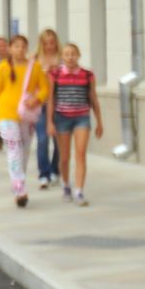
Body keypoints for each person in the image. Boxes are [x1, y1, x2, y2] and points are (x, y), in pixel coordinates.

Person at [0, 34, 50, 208]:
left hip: (27, 115)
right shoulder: (3, 68)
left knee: (24, 152)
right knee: (13, 150)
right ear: (10, 49)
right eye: (16, 46)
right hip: (6, 115)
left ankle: (20, 183)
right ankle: (19, 188)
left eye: (23, 46)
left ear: (27, 49)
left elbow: (45, 89)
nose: (20, 49)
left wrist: (37, 99)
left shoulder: (35, 67)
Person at [46, 43, 103, 205]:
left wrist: (99, 121)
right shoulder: (55, 74)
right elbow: (51, 99)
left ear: (78, 55)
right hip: (62, 118)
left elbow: (93, 98)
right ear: (62, 57)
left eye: (73, 54)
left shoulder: (87, 74)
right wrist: (50, 122)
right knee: (64, 157)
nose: (70, 57)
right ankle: (66, 186)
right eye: (67, 54)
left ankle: (79, 191)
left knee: (81, 154)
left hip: (82, 118)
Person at [31, 28, 64, 190]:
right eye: (46, 43)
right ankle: (43, 173)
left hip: (60, 103)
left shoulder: (62, 58)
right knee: (42, 139)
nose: (49, 46)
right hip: (40, 104)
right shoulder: (35, 59)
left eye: (52, 43)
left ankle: (55, 170)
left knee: (59, 140)